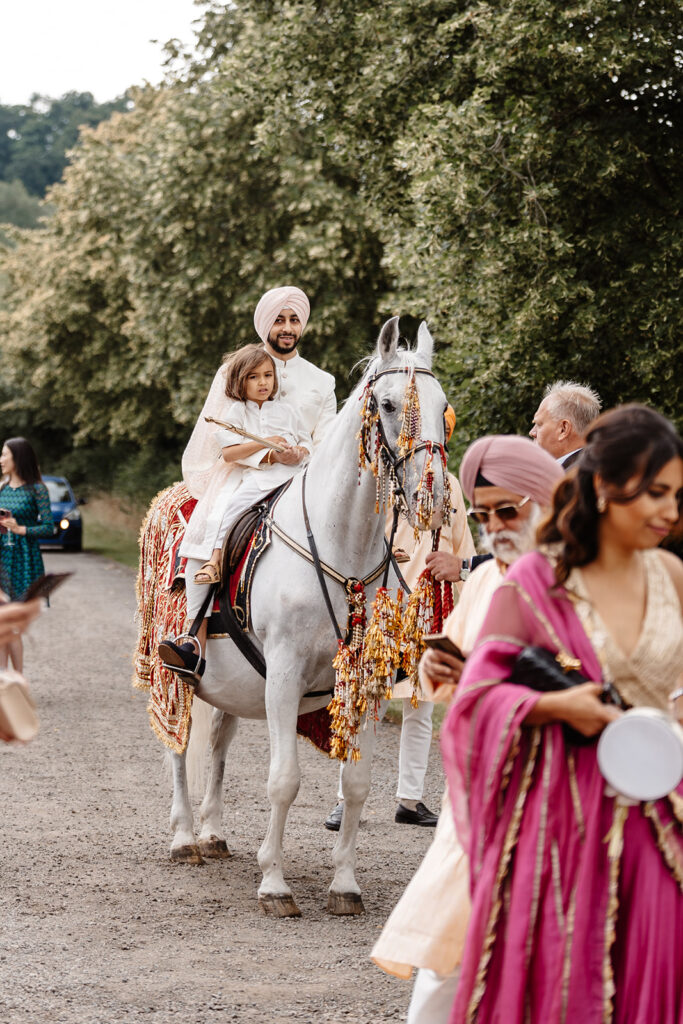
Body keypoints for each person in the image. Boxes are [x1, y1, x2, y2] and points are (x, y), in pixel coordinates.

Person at [442, 404, 683, 1023]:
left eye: (676, 495)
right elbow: (472, 701)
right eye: (656, 492)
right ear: (603, 487)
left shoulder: (673, 576)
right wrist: (550, 706)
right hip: (563, 827)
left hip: (665, 821)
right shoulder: (535, 579)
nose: (670, 512)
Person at [371, 435, 563, 1023]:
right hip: (472, 799)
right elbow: (453, 662)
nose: (496, 527)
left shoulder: (579, 583)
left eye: (510, 511)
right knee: (444, 956)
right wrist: (435, 667)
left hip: (552, 796)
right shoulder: (484, 579)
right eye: (483, 516)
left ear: (548, 503)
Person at [324, 467, 476, 831]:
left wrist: (464, 606)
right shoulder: (384, 481)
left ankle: (410, 799)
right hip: (384, 607)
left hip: (430, 608)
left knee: (421, 707)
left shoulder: (450, 485)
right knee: (367, 705)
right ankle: (347, 799)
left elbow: (461, 545)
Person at [160, 344, 312, 682]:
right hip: (249, 475)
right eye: (254, 377)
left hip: (289, 476)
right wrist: (267, 447)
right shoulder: (233, 414)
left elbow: (306, 443)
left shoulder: (288, 410)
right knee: (221, 513)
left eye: (268, 376)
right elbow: (231, 454)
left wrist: (298, 452)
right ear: (239, 382)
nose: (262, 383)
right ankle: (194, 631)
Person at [0, 438, 55, 672]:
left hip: (24, 559)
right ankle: (5, 682)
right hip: (2, 558)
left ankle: (17, 679)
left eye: (5, 455)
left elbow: (49, 527)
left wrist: (22, 529)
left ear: (17, 458)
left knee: (10, 623)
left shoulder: (37, 489)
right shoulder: (1, 487)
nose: (1, 460)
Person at [529, 380, 601, 467]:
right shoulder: (596, 466)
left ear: (563, 429)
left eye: (539, 424)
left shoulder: (573, 477)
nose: (532, 432)